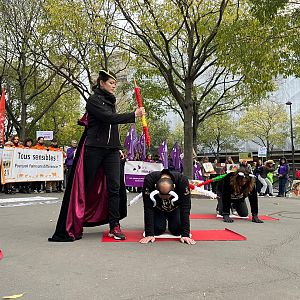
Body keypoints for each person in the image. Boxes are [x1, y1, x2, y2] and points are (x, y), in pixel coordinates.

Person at [49, 69, 145, 242]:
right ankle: (75, 221)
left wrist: (117, 147)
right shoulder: (93, 100)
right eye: (111, 83)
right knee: (85, 185)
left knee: (115, 187)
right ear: (101, 83)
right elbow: (109, 118)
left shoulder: (111, 100)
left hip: (111, 151)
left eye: (115, 83)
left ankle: (114, 225)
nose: (114, 86)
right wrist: (133, 114)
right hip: (94, 149)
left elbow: (112, 127)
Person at [139, 169, 196, 245]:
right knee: (157, 230)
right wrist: (149, 234)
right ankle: (160, 220)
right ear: (156, 188)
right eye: (162, 196)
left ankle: (172, 220)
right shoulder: (149, 179)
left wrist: (185, 234)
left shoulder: (182, 181)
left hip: (175, 207)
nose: (165, 199)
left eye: (167, 196)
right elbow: (148, 207)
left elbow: (185, 208)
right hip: (158, 207)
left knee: (177, 230)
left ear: (173, 188)